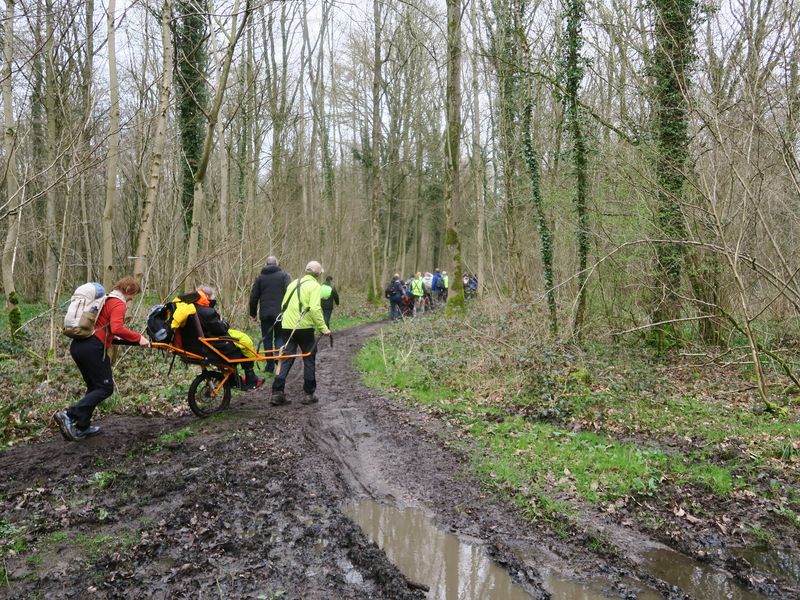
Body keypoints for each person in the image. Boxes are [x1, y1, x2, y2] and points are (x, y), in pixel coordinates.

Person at [53, 276, 151, 442]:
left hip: (79, 346)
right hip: (92, 349)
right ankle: (68, 414)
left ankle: (82, 426)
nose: (132, 299)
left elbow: (105, 330)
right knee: (105, 388)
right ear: (128, 290)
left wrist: (124, 340)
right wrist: (138, 338)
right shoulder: (118, 303)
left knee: (94, 387)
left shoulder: (104, 301)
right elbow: (117, 327)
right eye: (132, 295)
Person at [173, 285, 263, 390]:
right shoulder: (206, 312)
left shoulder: (189, 308)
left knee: (242, 341)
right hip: (212, 345)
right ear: (207, 297)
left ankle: (237, 378)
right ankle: (250, 376)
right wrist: (225, 324)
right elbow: (219, 329)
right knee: (245, 343)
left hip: (196, 344)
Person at [270, 261, 331, 406]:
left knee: (286, 358)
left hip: (286, 327)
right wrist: (324, 328)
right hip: (304, 328)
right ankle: (309, 394)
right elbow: (315, 309)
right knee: (309, 358)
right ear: (318, 274)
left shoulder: (293, 283)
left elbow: (284, 305)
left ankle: (277, 393)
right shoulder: (315, 286)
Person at [249, 256, 291, 375]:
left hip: (265, 314)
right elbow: (290, 293)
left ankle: (269, 367)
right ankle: (280, 364)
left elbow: (253, 297)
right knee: (279, 338)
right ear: (277, 264)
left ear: (266, 264)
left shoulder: (260, 278)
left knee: (267, 340)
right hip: (281, 314)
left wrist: (253, 313)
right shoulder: (284, 276)